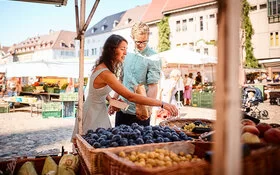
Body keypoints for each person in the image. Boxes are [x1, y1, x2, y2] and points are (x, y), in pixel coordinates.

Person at [71, 34, 178, 139]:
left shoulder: (104, 68)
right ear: (112, 50)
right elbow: (130, 96)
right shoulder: (105, 73)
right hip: (92, 115)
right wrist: (162, 104)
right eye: (122, 49)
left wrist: (115, 103)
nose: (126, 53)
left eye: (126, 49)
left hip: (97, 111)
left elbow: (101, 93)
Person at [110, 22, 162, 127]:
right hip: (122, 109)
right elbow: (121, 80)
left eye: (145, 41)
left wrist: (149, 109)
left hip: (140, 113)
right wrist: (113, 101)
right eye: (138, 42)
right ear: (132, 38)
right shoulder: (127, 54)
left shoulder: (154, 57)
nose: (142, 45)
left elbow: (153, 86)